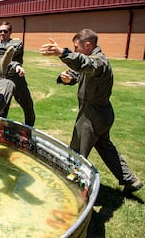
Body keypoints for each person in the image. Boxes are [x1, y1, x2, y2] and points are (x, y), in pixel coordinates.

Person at [39, 29, 142, 194]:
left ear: (87, 45)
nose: (75, 51)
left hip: (92, 116)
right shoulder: (90, 62)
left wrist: (62, 53)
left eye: (76, 47)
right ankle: (131, 180)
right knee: (105, 147)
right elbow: (79, 72)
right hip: (102, 114)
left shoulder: (99, 61)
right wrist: (67, 78)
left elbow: (86, 64)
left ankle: (72, 190)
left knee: (76, 154)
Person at [0, 21, 35, 126]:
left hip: (17, 78)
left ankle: (29, 129)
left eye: (5, 31)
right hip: (3, 79)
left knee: (27, 105)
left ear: (10, 32)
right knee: (2, 106)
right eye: (0, 31)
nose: (2, 33)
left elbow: (9, 51)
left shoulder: (17, 43)